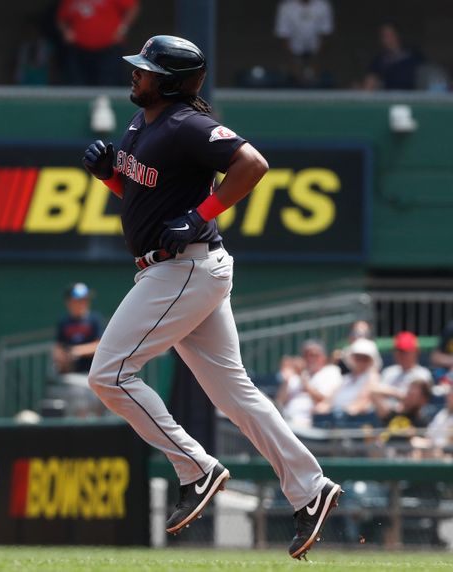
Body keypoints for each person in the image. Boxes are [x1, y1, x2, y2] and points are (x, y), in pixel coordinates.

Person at [80, 35, 341, 560]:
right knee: (235, 395)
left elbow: (253, 165)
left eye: (147, 70)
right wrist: (112, 176)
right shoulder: (142, 122)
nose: (136, 74)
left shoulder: (187, 124)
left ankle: (195, 468)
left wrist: (202, 214)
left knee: (108, 375)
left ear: (172, 82)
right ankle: (310, 489)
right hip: (181, 268)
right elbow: (146, 200)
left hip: (183, 268)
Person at [49, 282, 105, 417]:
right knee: (75, 412)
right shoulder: (64, 322)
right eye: (78, 300)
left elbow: (99, 345)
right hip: (71, 377)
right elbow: (58, 347)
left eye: (85, 300)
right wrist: (61, 358)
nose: (82, 303)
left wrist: (75, 351)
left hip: (92, 375)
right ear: (69, 302)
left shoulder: (94, 320)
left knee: (97, 413)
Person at [56, 0, 139, 86]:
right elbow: (61, 18)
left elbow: (132, 8)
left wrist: (123, 29)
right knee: (76, 83)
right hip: (78, 49)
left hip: (109, 47)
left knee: (109, 84)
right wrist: (65, 31)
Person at [277, 339, 342, 428]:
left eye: (314, 355)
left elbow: (326, 400)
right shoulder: (299, 374)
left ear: (324, 357)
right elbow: (280, 402)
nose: (310, 359)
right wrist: (286, 380)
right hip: (286, 420)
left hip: (309, 424)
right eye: (306, 355)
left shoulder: (331, 371)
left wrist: (305, 383)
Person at [273, 0, 334, 86]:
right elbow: (283, 35)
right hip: (293, 54)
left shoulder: (323, 5)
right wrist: (294, 65)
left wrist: (315, 64)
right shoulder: (286, 6)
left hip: (317, 55)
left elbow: (325, 34)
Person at [322, 337, 380, 418]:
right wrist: (323, 408)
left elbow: (362, 402)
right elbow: (329, 400)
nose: (360, 361)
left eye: (365, 358)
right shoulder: (346, 378)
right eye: (357, 357)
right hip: (336, 418)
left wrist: (343, 413)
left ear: (370, 360)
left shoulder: (372, 377)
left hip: (354, 422)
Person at [371, 331, 432, 404]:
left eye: (405, 352)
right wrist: (396, 393)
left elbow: (414, 400)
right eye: (398, 351)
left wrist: (391, 392)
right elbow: (374, 391)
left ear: (416, 352)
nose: (401, 355)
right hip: (387, 413)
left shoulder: (423, 374)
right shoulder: (388, 372)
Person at [363, 23, 424, 91]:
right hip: (390, 97)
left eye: (391, 35)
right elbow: (371, 80)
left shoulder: (413, 53)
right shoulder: (379, 60)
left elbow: (429, 73)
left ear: (397, 35)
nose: (389, 39)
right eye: (385, 36)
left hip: (413, 96)